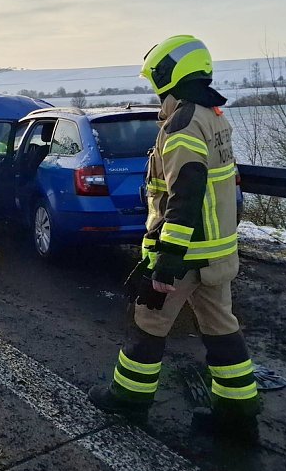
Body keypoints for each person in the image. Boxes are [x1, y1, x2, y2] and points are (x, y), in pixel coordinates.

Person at [88, 35, 260, 442]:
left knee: (149, 323)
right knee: (222, 329)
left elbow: (186, 191)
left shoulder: (182, 123)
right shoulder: (213, 115)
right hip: (217, 254)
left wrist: (167, 258)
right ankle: (238, 419)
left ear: (169, 75)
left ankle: (128, 400)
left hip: (185, 255)